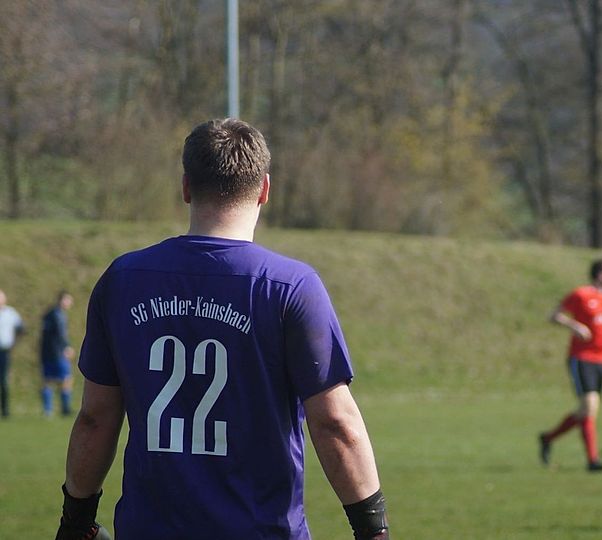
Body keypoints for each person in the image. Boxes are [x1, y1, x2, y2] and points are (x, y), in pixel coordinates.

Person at [55, 119, 388, 540]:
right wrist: (372, 527)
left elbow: (95, 418)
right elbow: (335, 423)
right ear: (265, 189)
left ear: (186, 187)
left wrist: (76, 519)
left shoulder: (123, 279)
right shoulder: (289, 286)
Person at [538, 258, 602, 472]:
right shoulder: (581, 295)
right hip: (581, 358)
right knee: (589, 407)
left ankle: (548, 438)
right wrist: (575, 326)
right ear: (601, 274)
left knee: (586, 412)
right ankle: (593, 461)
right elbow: (555, 315)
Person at [41, 290, 74, 417]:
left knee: (48, 380)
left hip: (46, 353)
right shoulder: (59, 315)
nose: (70, 303)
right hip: (59, 353)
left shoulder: (48, 314)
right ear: (62, 300)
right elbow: (61, 334)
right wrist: (67, 347)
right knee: (66, 379)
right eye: (68, 300)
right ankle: (65, 408)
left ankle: (47, 410)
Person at [0, 289, 24, 418]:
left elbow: (21, 328)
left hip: (4, 351)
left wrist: (15, 342)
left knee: (3, 381)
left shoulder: (10, 313)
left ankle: (5, 410)